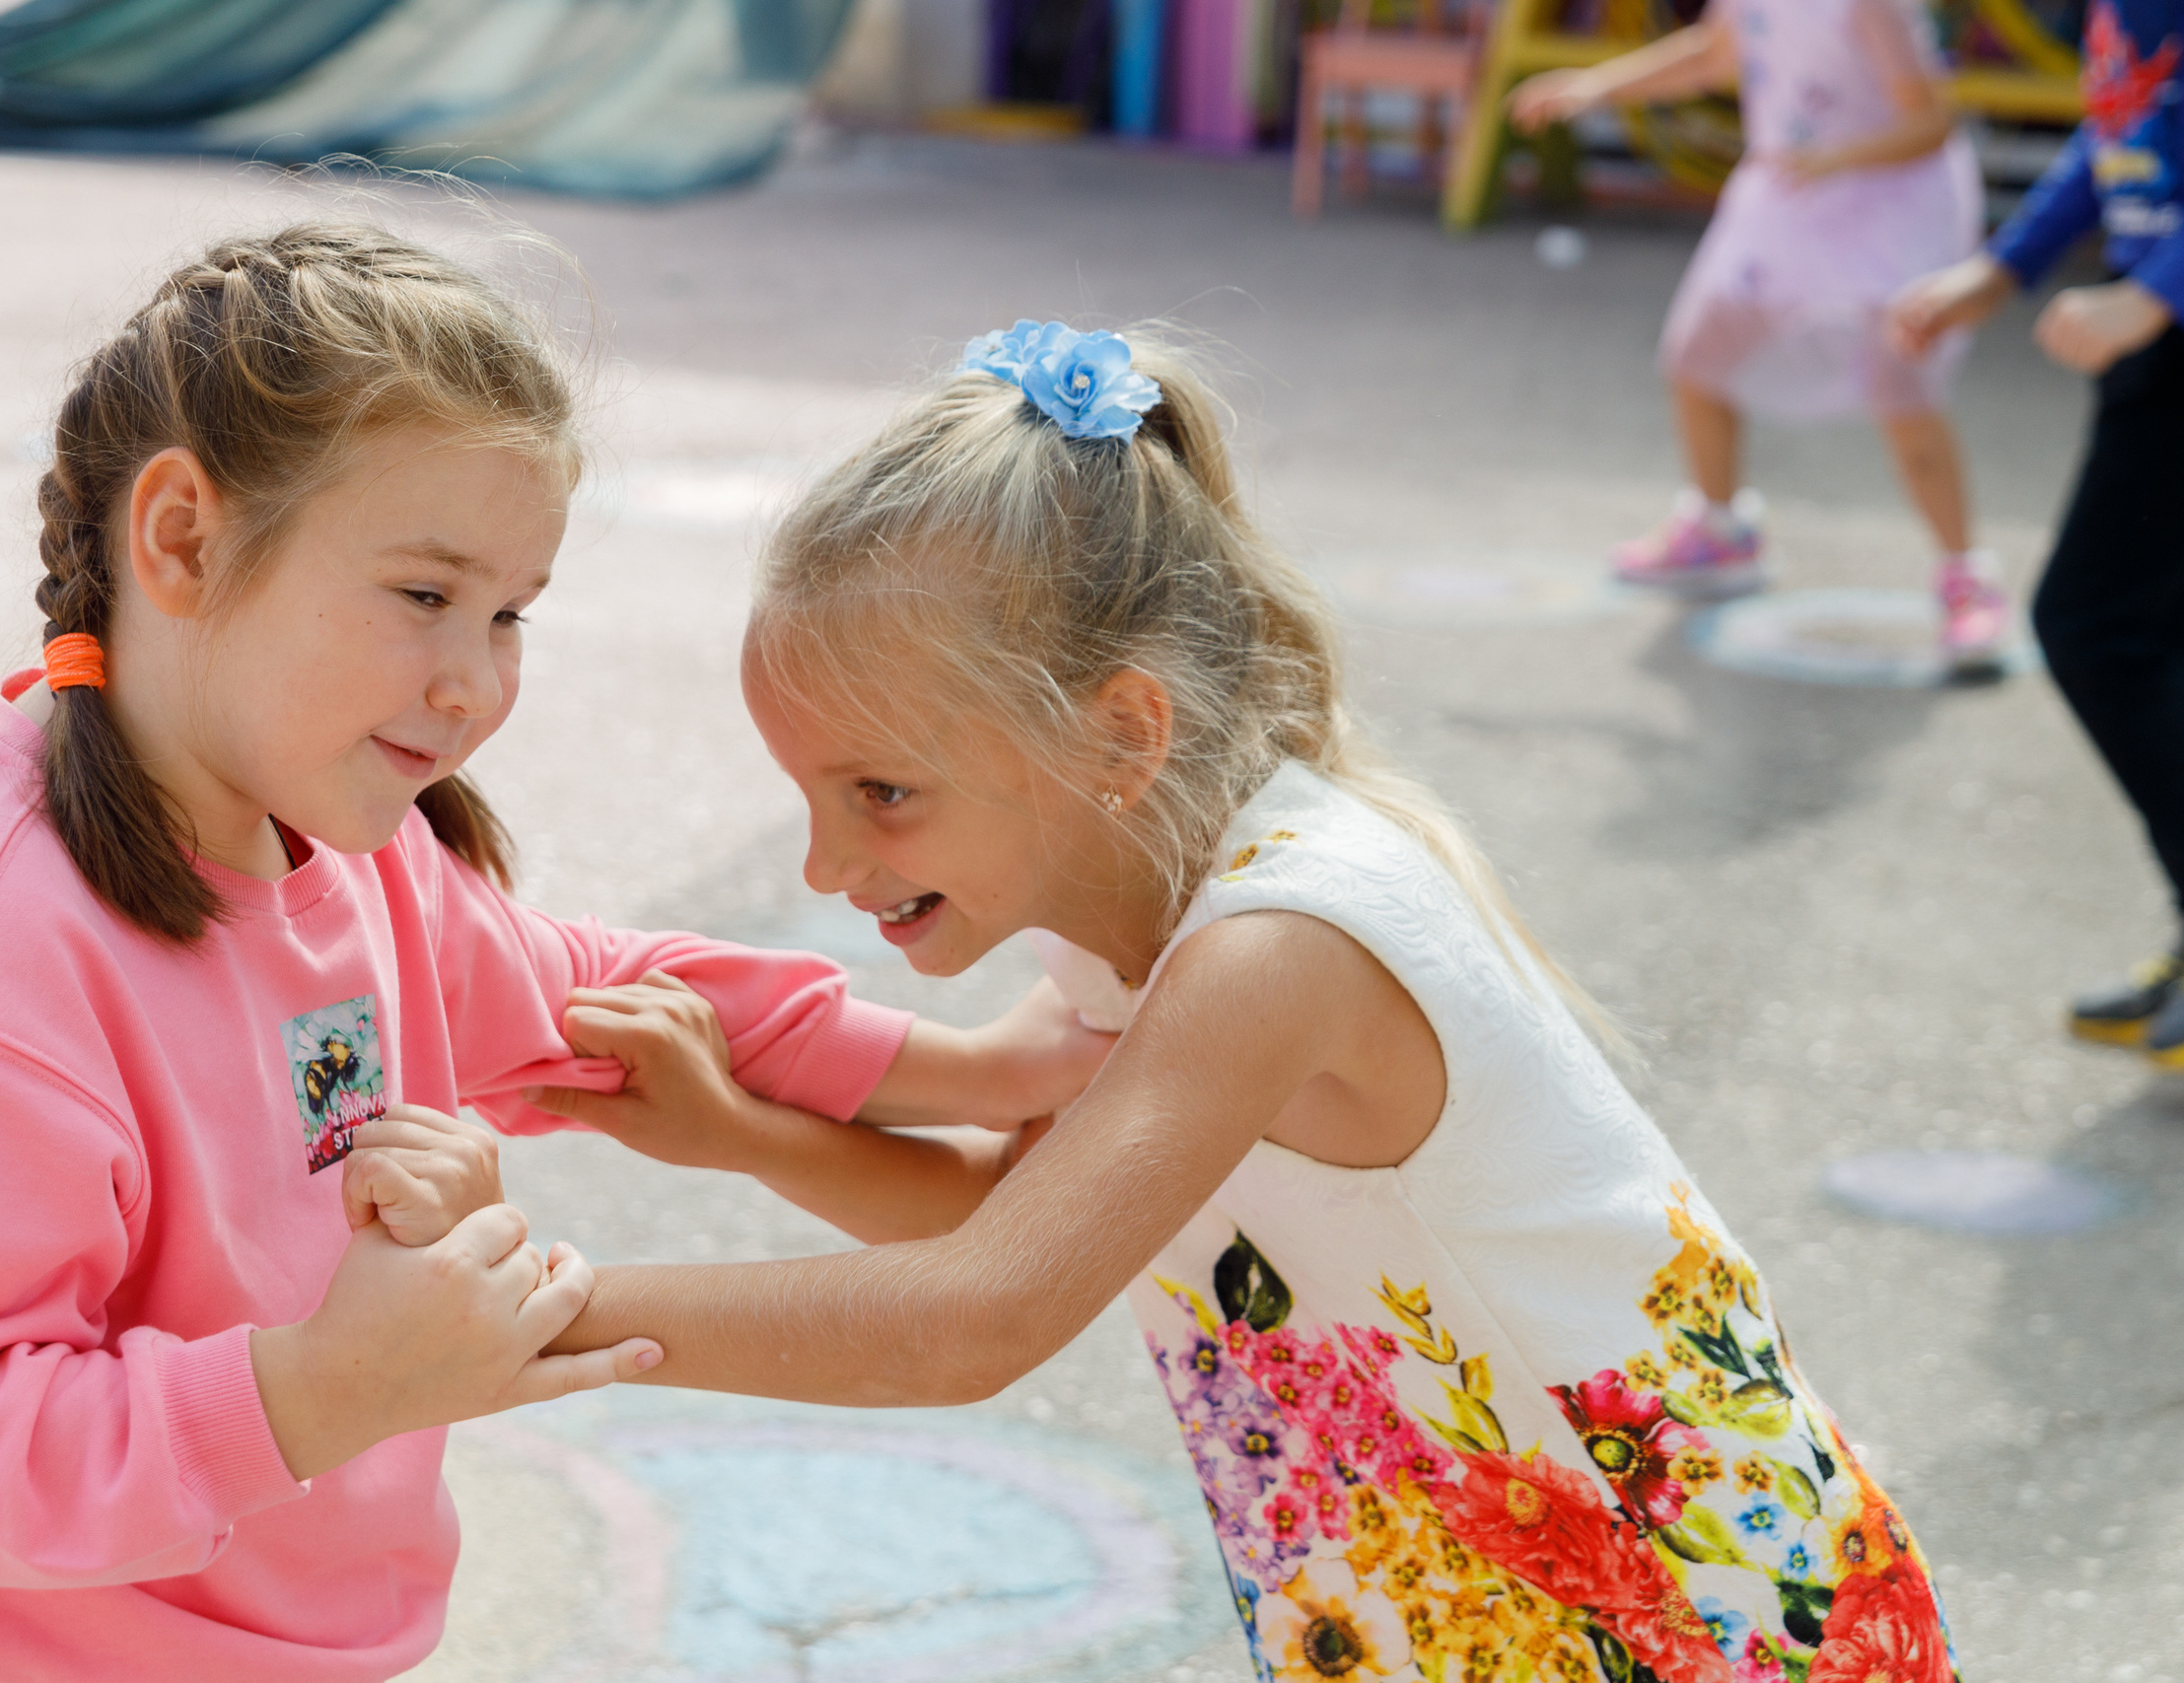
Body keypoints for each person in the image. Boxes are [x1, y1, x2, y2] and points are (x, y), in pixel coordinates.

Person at [0, 227, 1093, 1683]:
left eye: (510, 613)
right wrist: (314, 1387)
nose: (477, 679)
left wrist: (977, 1067)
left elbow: (591, 987)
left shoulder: (348, 841)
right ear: (181, 535)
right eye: (425, 595)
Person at [534, 322, 1959, 1683]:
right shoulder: (1121, 902)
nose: (824, 861)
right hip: (1468, 1612)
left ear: (1118, 735)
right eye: (811, 792)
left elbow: (976, 1313)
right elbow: (1012, 1208)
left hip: (1686, 1615)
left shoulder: (1275, 944)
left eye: (882, 794)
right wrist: (733, 1129)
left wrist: (526, 1321)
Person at [1508, 0, 2009, 673]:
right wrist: (1593, 86)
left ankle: (1964, 576)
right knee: (1698, 351)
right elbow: (1713, 52)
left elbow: (1930, 122)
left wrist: (1837, 157)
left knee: (1901, 389)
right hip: (1791, 186)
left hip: (1884, 207)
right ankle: (1719, 530)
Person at [1891, 0, 2184, 1063]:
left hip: (2164, 331)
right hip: (2156, 348)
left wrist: (2151, 291)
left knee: (2095, 625)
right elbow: (2116, 135)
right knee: (2141, 637)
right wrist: (2004, 265)